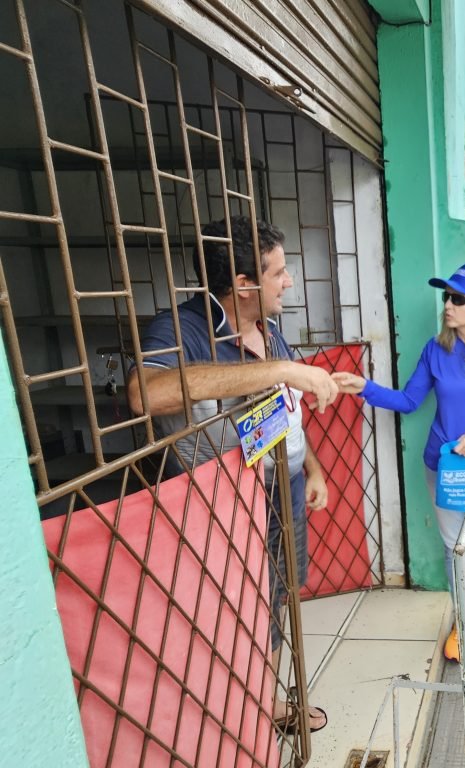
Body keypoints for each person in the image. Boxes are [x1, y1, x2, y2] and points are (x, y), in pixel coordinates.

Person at [126, 216, 338, 734]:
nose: (288, 281)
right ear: (244, 284)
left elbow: (283, 409)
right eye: (279, 272)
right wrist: (280, 369)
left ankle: (262, 696)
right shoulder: (184, 328)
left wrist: (312, 469)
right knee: (231, 603)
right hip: (220, 501)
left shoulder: (269, 328)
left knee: (278, 592)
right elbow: (143, 393)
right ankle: (241, 707)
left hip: (280, 488)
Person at [333, 263, 465, 662]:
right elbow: (408, 402)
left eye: (458, 299)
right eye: (446, 297)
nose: (448, 306)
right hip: (444, 468)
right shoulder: (435, 350)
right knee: (454, 547)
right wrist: (363, 388)